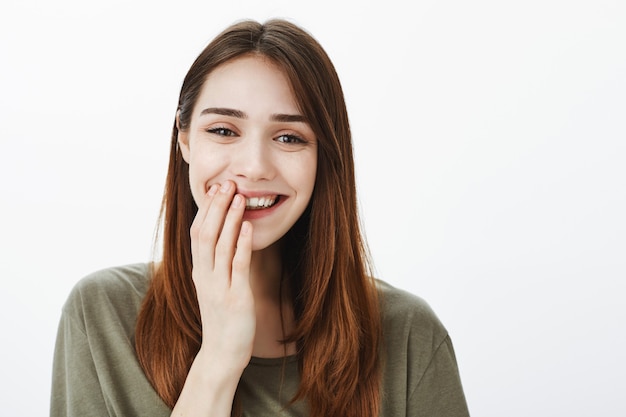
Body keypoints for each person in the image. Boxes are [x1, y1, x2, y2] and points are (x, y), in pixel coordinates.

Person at [50, 19, 469, 417]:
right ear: (184, 141)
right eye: (224, 130)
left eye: (289, 137)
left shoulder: (410, 335)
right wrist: (219, 357)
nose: (253, 167)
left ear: (324, 156)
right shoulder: (101, 314)